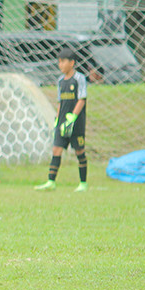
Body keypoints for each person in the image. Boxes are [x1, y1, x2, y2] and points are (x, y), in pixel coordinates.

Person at [35, 47, 89, 192]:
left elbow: (82, 99)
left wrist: (73, 117)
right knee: (56, 149)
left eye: (63, 62)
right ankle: (51, 181)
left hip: (75, 123)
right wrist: (57, 120)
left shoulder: (79, 79)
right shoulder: (60, 81)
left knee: (79, 151)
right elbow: (60, 102)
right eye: (59, 62)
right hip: (62, 123)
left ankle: (83, 183)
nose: (60, 65)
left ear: (72, 63)